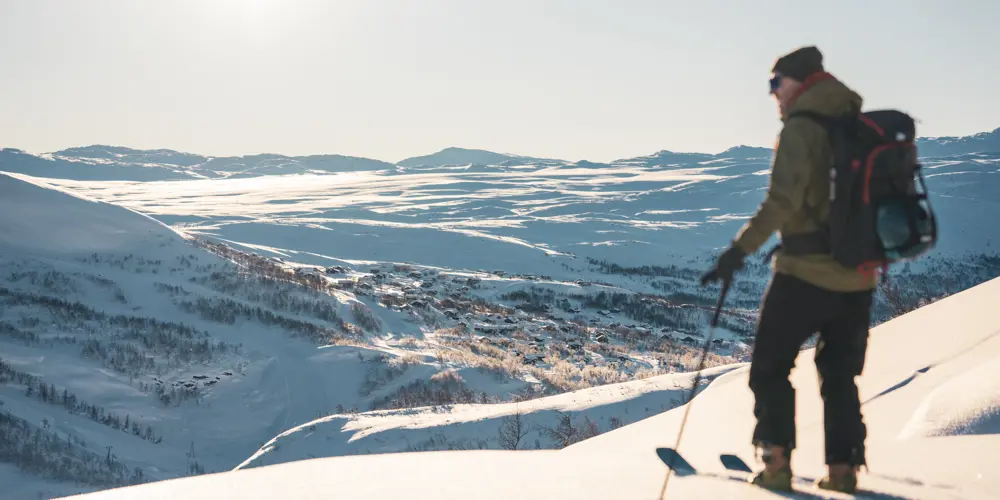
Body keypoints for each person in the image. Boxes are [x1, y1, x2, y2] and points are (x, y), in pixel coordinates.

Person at [701, 46, 876, 493]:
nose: (773, 94)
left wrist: (737, 252)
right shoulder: (855, 121)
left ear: (799, 81)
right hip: (859, 275)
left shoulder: (803, 125)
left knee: (768, 368)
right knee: (839, 374)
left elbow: (782, 201)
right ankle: (843, 471)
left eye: (776, 83)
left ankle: (776, 462)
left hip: (805, 271)